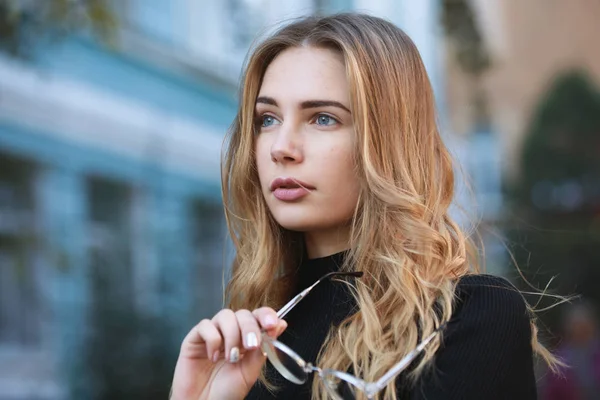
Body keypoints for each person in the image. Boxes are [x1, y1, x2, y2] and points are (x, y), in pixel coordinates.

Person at [170, 13, 557, 400]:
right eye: (267, 119)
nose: (280, 148)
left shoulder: (468, 319)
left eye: (323, 118)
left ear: (389, 142)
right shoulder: (254, 342)